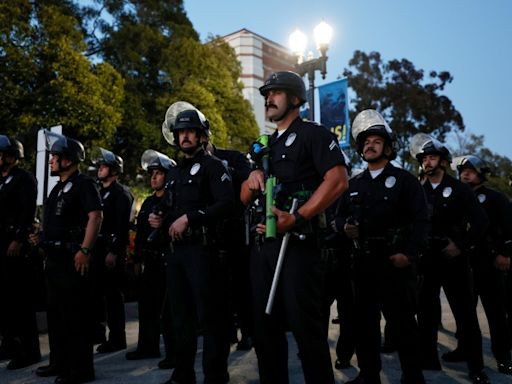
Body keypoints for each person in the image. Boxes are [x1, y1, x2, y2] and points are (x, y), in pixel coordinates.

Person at [240, 70, 348, 384]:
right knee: (264, 334)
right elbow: (243, 198)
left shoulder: (313, 135)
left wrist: (298, 217)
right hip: (263, 249)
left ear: (296, 99)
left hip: (299, 247)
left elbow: (338, 181)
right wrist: (251, 178)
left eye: (275, 93)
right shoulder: (264, 146)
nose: (268, 99)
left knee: (307, 334)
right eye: (266, 94)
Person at [333, 110, 427, 384]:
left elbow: (422, 221)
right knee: (365, 325)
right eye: (365, 142)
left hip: (395, 263)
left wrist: (409, 254)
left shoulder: (405, 180)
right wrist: (343, 228)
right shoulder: (354, 184)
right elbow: (338, 217)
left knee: (404, 325)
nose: (369, 145)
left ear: (388, 147)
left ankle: (413, 376)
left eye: (376, 141)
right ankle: (369, 374)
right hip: (362, 264)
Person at [155, 102, 234, 384]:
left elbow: (227, 204)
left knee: (210, 318)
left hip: (203, 251)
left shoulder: (214, 167)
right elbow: (168, 209)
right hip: (177, 254)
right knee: (180, 318)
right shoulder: (174, 173)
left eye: (191, 131)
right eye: (181, 132)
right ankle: (182, 373)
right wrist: (160, 219)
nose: (185, 136)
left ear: (202, 136)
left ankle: (215, 375)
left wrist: (191, 217)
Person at [410, 133, 490, 384]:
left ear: (443, 162)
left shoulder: (459, 190)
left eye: (433, 158)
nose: (428, 162)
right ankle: (428, 359)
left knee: (465, 315)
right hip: (426, 260)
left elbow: (481, 222)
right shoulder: (416, 190)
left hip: (453, 260)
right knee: (426, 313)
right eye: (425, 159)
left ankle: (476, 368)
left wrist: (461, 245)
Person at [31, 130, 102, 384]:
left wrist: (85, 250)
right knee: (57, 316)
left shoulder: (84, 184)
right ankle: (59, 363)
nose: (51, 161)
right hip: (54, 260)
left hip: (73, 259)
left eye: (55, 157)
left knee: (75, 317)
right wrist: (41, 239)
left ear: (69, 160)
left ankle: (80, 371)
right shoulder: (58, 188)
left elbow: (95, 216)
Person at [445, 155, 511, 375]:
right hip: (463, 265)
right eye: (463, 170)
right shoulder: (456, 197)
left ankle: (503, 357)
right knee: (464, 313)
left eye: (471, 170)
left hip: (489, 264)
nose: (465, 173)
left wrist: (505, 253)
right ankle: (464, 349)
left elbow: (509, 230)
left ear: (481, 174)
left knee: (496, 313)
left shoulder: (496, 199)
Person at [125, 149, 176, 369]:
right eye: (152, 173)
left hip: (168, 260)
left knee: (169, 311)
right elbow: (141, 234)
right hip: (149, 262)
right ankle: (148, 346)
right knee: (146, 306)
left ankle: (174, 354)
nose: (153, 177)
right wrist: (136, 259)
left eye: (159, 173)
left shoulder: (173, 200)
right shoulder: (146, 203)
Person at [207, 143, 254, 351]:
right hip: (212, 233)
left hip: (237, 230)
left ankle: (248, 332)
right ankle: (226, 332)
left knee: (241, 285)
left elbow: (248, 181)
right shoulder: (194, 165)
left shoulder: (233, 156)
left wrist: (221, 166)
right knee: (217, 288)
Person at [0, 135, 41, 369]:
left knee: (20, 301)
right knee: (4, 301)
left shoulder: (23, 179)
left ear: (12, 156)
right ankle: (9, 344)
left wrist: (18, 239)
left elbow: (27, 212)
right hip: (1, 245)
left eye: (1, 153)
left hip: (16, 245)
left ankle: (29, 351)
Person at [90, 147, 134, 353]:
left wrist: (114, 251)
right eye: (99, 166)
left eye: (104, 166)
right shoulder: (99, 192)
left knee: (113, 295)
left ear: (115, 171)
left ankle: (118, 338)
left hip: (111, 249)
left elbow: (122, 227)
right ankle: (98, 333)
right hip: (97, 249)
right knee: (96, 293)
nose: (100, 169)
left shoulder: (121, 193)